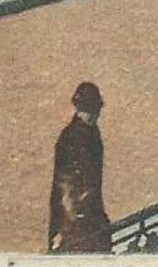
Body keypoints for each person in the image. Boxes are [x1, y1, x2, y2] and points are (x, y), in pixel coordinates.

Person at [48, 82, 111, 254]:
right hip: (74, 215)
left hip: (91, 211)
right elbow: (64, 183)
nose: (91, 115)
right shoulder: (71, 136)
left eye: (94, 109)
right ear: (78, 108)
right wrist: (68, 221)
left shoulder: (91, 133)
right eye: (87, 109)